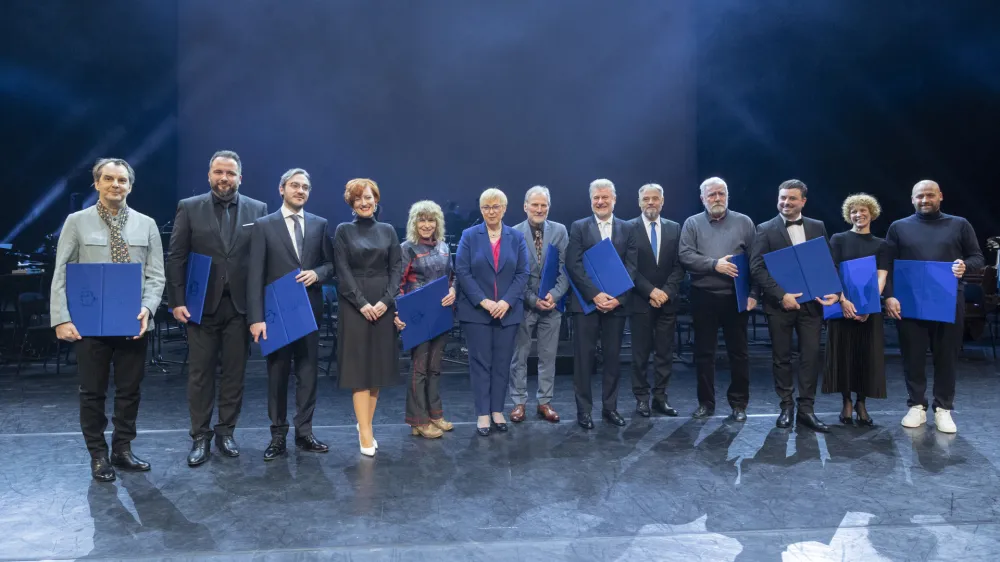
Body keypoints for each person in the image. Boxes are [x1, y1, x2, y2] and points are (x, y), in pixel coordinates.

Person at [50, 158, 165, 482]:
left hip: (132, 322)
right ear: (97, 183)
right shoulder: (76, 222)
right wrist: (61, 318)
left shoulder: (147, 224)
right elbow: (61, 272)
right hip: (90, 324)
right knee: (92, 392)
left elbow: (157, 275)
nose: (116, 185)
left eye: (122, 180)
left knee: (130, 391)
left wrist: (148, 308)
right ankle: (98, 455)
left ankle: (122, 449)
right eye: (109, 179)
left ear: (130, 185)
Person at [166, 150, 268, 467]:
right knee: (200, 375)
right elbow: (176, 256)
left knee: (234, 374)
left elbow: (260, 263)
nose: (224, 178)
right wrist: (177, 300)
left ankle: (226, 432)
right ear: (209, 175)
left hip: (239, 307)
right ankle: (200, 435)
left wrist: (259, 311)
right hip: (200, 306)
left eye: (230, 173)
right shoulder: (189, 207)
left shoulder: (258, 209)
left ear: (240, 178)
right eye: (219, 172)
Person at [247, 168, 334, 460]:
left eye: (305, 187)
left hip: (309, 311)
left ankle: (304, 432)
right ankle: (277, 436)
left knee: (308, 373)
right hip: (276, 314)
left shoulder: (320, 224)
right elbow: (255, 274)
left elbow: (330, 265)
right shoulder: (264, 225)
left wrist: (317, 273)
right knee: (278, 375)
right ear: (281, 189)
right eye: (295, 185)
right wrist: (256, 317)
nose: (300, 191)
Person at [885, 180, 984, 433]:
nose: (925, 200)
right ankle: (916, 405)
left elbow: (977, 257)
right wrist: (889, 296)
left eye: (930, 195)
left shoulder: (959, 224)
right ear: (912, 199)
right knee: (912, 355)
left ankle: (943, 408)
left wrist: (965, 266)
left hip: (948, 299)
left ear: (940, 196)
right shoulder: (898, 227)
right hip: (910, 300)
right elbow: (887, 264)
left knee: (946, 355)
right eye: (919, 196)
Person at [750, 179, 839, 433]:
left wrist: (833, 291)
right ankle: (786, 406)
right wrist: (781, 295)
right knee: (782, 357)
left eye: (791, 198)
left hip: (812, 305)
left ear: (803, 201)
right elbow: (757, 267)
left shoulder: (817, 226)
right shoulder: (765, 229)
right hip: (779, 306)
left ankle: (807, 409)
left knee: (810, 357)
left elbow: (827, 262)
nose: (786, 203)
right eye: (782, 198)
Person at [333, 178, 403, 455]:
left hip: (383, 304)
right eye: (358, 198)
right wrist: (362, 304)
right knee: (359, 371)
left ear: (376, 200)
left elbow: (396, 268)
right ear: (351, 203)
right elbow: (342, 270)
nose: (364, 202)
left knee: (377, 369)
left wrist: (386, 302)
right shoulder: (343, 230)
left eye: (368, 197)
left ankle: (365, 424)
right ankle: (365, 432)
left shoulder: (388, 230)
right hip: (354, 306)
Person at [678, 177, 758, 422]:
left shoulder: (744, 222)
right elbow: (685, 256)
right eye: (711, 194)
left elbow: (756, 261)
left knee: (739, 353)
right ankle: (706, 403)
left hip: (737, 297)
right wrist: (714, 264)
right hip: (704, 296)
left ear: (727, 195)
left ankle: (739, 404)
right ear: (702, 198)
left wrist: (754, 294)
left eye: (721, 193)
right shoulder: (692, 223)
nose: (717, 198)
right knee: (704, 353)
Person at [455, 188, 530, 436]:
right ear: (481, 209)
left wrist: (506, 302)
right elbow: (462, 271)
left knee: (502, 363)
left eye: (496, 206)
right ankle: (483, 414)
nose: (491, 211)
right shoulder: (469, 236)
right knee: (480, 363)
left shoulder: (516, 237)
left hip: (507, 312)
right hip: (477, 312)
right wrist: (484, 302)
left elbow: (523, 273)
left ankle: (497, 410)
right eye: (486, 207)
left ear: (504, 209)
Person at [565, 179, 638, 429]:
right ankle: (584, 411)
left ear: (614, 199)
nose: (600, 201)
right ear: (591, 200)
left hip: (616, 305)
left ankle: (610, 408)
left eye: (605, 197)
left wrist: (618, 299)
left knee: (613, 358)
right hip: (586, 305)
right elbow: (573, 265)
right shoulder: (579, 227)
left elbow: (632, 266)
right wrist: (595, 295)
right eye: (596, 197)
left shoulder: (628, 228)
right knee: (584, 359)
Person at [822, 193, 892, 426]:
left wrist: (868, 306)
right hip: (841, 307)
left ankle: (861, 402)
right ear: (848, 215)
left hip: (868, 310)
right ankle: (846, 402)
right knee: (844, 355)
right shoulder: (839, 239)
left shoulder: (881, 244)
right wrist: (843, 300)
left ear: (872, 214)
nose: (858, 214)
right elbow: (831, 270)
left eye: (863, 210)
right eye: (854, 211)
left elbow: (881, 277)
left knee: (865, 356)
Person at [394, 200, 456, 439]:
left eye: (431, 220)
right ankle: (418, 420)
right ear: (414, 223)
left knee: (435, 367)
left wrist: (453, 291)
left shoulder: (444, 247)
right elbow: (397, 284)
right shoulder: (407, 248)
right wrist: (399, 313)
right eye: (422, 220)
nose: (427, 225)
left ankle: (435, 415)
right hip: (417, 316)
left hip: (440, 313)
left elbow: (452, 277)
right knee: (419, 368)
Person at [509, 186, 568, 424]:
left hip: (552, 305)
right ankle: (519, 402)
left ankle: (545, 401)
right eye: (535, 204)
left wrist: (554, 295)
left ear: (549, 207)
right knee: (519, 356)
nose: (539, 209)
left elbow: (565, 268)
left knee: (548, 356)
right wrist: (532, 299)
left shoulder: (560, 230)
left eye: (544, 205)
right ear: (525, 206)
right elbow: (513, 274)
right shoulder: (514, 233)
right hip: (524, 305)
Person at [628, 183, 684, 418]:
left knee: (664, 353)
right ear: (639, 202)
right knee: (640, 354)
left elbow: (679, 266)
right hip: (640, 301)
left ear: (662, 201)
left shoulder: (675, 228)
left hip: (667, 302)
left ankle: (661, 397)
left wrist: (665, 293)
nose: (650, 202)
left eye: (655, 198)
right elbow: (629, 267)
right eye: (646, 199)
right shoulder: (628, 228)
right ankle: (642, 399)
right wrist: (651, 292)